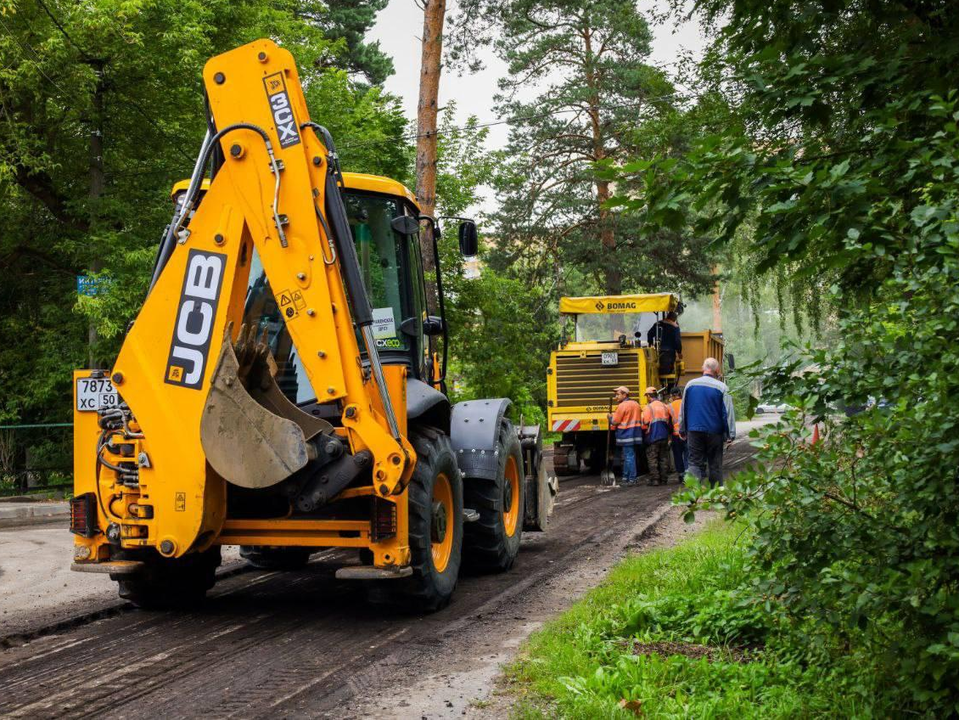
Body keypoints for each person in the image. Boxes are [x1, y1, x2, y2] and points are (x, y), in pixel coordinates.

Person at [679, 357, 735, 487]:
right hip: (715, 432)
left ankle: (692, 495)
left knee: (694, 463)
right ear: (717, 370)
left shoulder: (690, 385)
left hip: (694, 431)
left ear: (702, 369)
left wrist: (682, 429)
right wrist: (730, 434)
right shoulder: (722, 387)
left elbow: (683, 409)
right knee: (715, 464)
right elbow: (728, 413)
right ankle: (716, 496)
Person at [609, 386, 643, 486]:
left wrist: (609, 418)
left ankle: (632, 479)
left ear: (624, 394)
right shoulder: (636, 404)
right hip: (635, 434)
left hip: (626, 434)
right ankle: (626, 477)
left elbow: (615, 421)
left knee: (629, 457)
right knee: (629, 456)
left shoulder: (622, 406)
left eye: (618, 394)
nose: (616, 397)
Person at [640, 387, 673, 485]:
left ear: (649, 396)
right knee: (663, 458)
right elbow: (668, 421)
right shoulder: (664, 406)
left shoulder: (648, 407)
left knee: (652, 458)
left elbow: (645, 423)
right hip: (664, 436)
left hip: (653, 436)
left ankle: (655, 479)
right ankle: (664, 479)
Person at [647, 311, 683, 378]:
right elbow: (677, 341)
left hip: (656, 351)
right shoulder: (675, 327)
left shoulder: (657, 324)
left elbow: (649, 334)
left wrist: (650, 344)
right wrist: (679, 352)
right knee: (667, 374)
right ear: (674, 319)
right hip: (668, 353)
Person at [667, 388, 687, 481]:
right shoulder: (686, 403)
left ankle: (681, 475)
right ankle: (688, 473)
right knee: (688, 454)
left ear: (672, 395)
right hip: (687, 433)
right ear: (680, 394)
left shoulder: (669, 406)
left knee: (678, 455)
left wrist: (669, 437)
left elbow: (669, 424)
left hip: (676, 434)